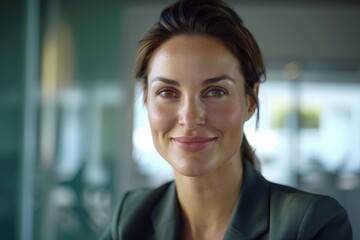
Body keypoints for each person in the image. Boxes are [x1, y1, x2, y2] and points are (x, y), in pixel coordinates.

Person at [101, 0, 353, 239]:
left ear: (250, 101)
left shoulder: (309, 225)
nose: (189, 118)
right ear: (146, 99)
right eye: (167, 92)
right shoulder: (131, 215)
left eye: (216, 92)